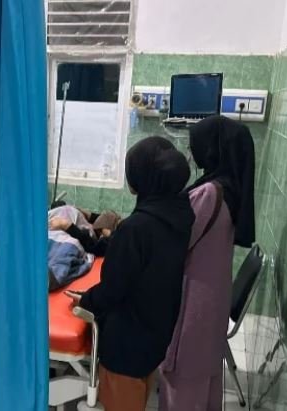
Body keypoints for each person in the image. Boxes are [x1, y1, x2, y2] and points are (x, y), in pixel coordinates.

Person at [66, 136, 194, 411]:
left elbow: (113, 289)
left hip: (126, 346)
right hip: (155, 335)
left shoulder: (137, 228)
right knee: (139, 395)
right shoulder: (179, 216)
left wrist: (85, 300)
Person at [159, 115, 255, 411]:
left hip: (194, 303)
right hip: (212, 298)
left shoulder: (208, 194)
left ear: (212, 148)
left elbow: (177, 241)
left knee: (184, 383)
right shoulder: (229, 189)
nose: (192, 151)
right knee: (204, 382)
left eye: (195, 144)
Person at [48, 206, 120, 256]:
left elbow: (93, 246)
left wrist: (67, 226)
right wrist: (89, 215)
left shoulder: (92, 234)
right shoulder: (90, 226)